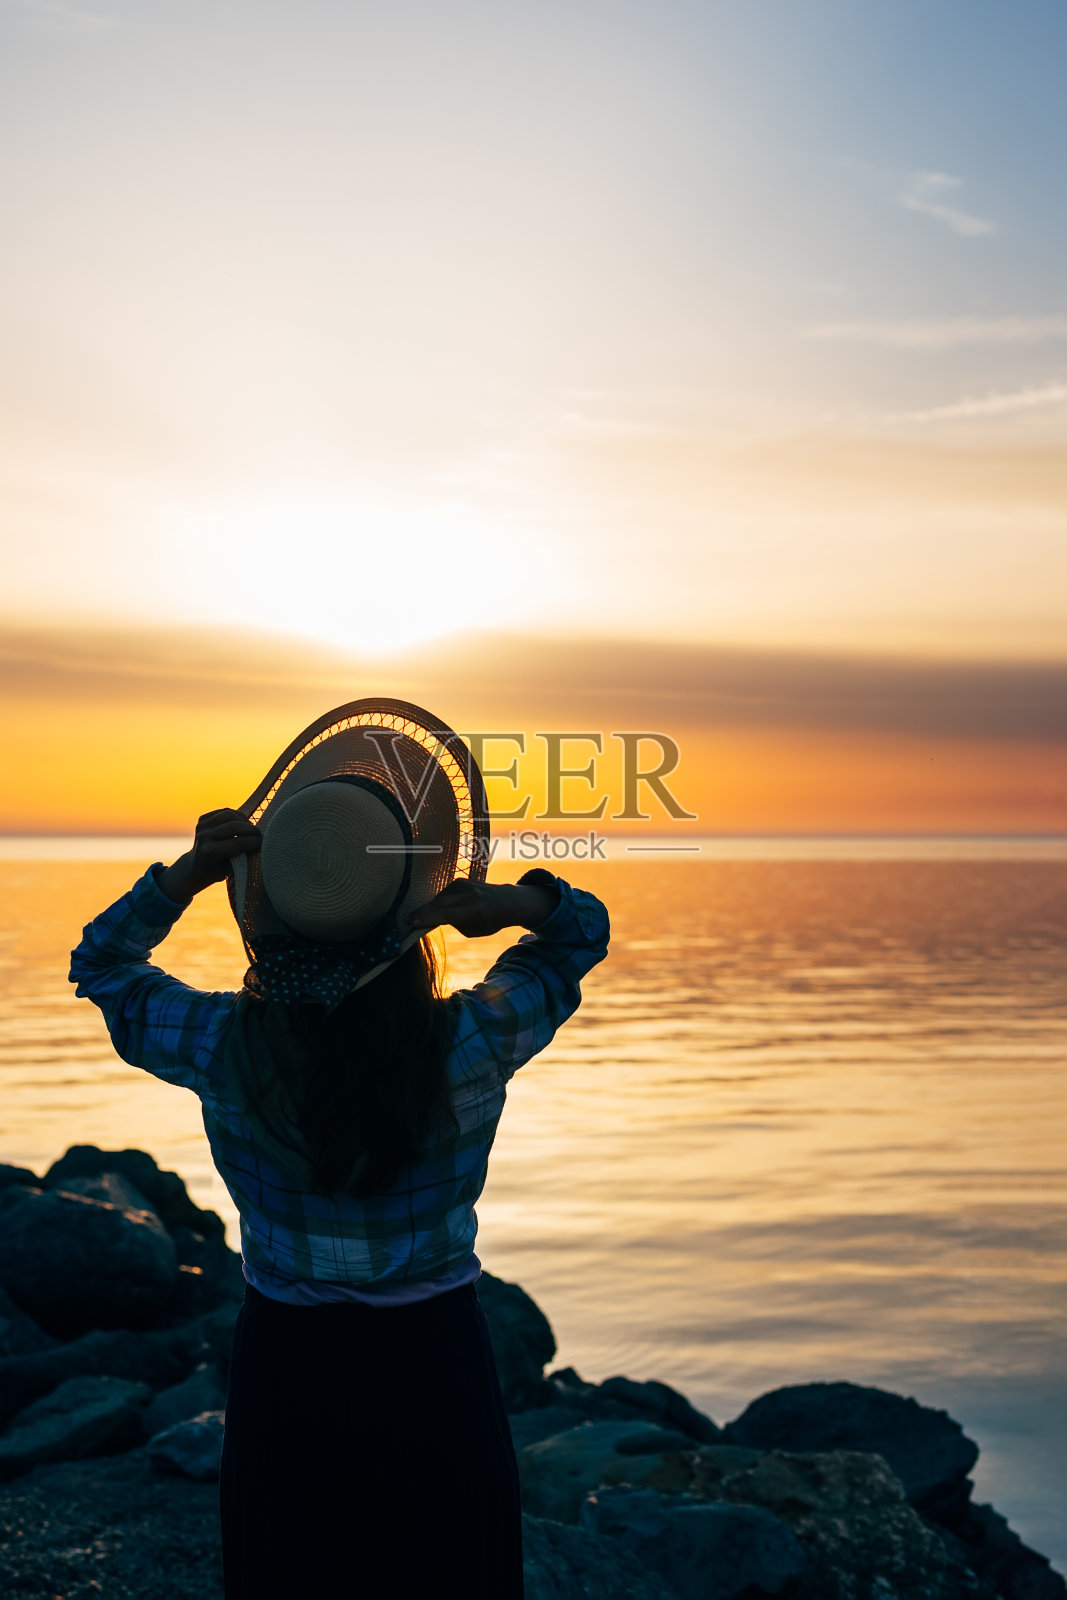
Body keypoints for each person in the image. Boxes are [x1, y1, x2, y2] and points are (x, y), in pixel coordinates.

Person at [68, 698, 610, 1599]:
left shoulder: (216, 1044)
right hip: (437, 1361)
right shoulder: (474, 1042)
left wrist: (192, 872)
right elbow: (576, 939)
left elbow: (104, 964)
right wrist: (508, 902)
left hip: (291, 1364)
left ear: (270, 901)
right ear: (413, 910)